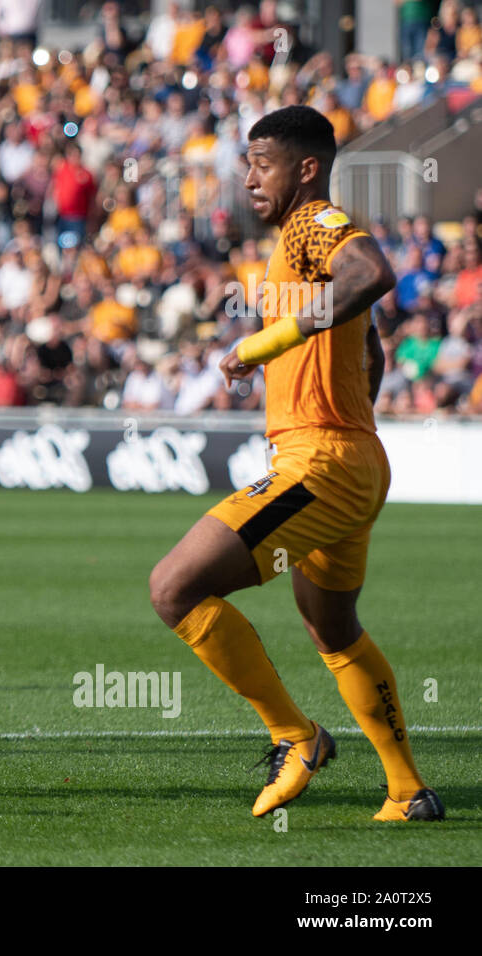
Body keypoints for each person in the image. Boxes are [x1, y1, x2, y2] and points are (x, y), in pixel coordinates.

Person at [149, 106, 443, 822]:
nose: (247, 177)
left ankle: (296, 736)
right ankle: (407, 791)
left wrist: (270, 341)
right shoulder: (294, 243)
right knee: (331, 626)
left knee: (174, 588)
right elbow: (368, 344)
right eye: (246, 164)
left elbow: (374, 273)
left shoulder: (314, 223)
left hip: (322, 462)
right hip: (355, 459)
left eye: (262, 163)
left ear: (305, 168)